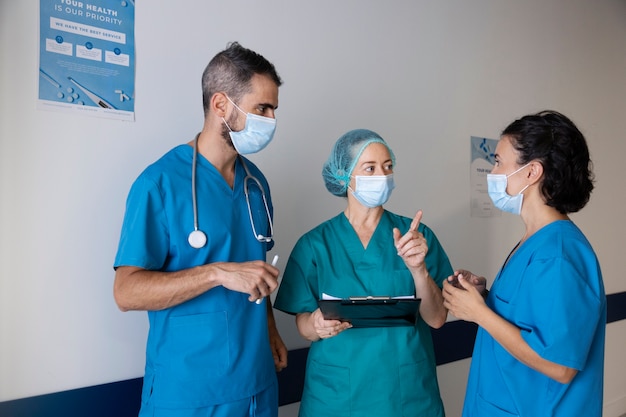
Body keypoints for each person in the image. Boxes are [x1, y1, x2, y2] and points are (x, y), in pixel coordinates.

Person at [113, 42, 288, 417]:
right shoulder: (159, 184)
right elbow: (126, 292)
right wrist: (216, 273)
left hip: (257, 384)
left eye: (274, 109)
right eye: (262, 108)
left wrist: (270, 327)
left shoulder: (256, 184)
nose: (271, 120)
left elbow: (255, 269)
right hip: (189, 393)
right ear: (221, 105)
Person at [274, 129, 453, 417]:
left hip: (405, 394)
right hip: (337, 396)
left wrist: (418, 269)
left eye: (388, 167)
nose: (382, 175)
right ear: (344, 176)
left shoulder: (415, 237)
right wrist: (316, 325)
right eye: (370, 168)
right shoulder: (315, 244)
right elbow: (303, 324)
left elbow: (437, 319)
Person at [442, 110, 606, 417]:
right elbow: (528, 317)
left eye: (498, 162)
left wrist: (479, 314)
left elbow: (560, 365)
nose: (492, 172)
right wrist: (485, 299)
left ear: (531, 172)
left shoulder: (559, 254)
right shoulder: (535, 242)